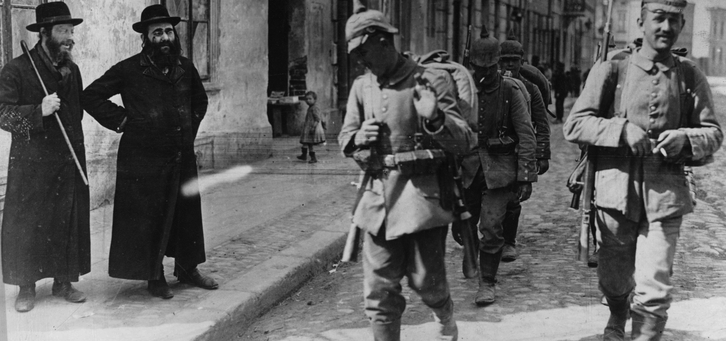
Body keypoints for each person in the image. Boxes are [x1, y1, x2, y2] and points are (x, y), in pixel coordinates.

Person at [563, 0, 722, 339]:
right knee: (614, 281)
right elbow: (574, 125)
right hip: (613, 195)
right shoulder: (611, 70)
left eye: (674, 20)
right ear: (641, 22)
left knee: (655, 290)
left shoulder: (689, 75)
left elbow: (714, 133)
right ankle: (617, 314)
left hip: (666, 196)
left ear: (681, 24)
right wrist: (620, 130)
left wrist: (686, 139)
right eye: (658, 18)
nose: (666, 27)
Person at [339, 7, 474, 340]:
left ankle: (444, 315)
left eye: (363, 52)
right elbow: (345, 137)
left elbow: (466, 139)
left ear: (384, 42)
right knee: (379, 290)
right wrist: (358, 138)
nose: (360, 61)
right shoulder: (362, 87)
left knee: (427, 282)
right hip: (377, 200)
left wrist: (435, 118)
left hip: (422, 199)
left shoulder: (430, 79)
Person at [82, 4, 218, 299]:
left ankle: (187, 269)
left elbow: (200, 102)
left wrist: (187, 132)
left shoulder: (185, 67)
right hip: (143, 158)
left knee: (186, 214)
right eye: (158, 32)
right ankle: (153, 275)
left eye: (169, 31)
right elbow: (90, 96)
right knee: (149, 217)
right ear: (146, 38)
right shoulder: (129, 69)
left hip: (180, 154)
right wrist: (122, 120)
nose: (165, 37)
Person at [0, 2, 88, 313]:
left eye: (71, 31)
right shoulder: (16, 69)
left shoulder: (71, 69)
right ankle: (26, 287)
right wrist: (39, 111)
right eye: (63, 31)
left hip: (66, 159)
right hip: (32, 165)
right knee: (29, 224)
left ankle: (63, 282)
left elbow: (76, 115)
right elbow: (4, 116)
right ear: (44, 33)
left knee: (64, 221)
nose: (69, 37)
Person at [460, 26, 537, 306]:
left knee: (492, 227)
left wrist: (526, 176)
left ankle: (487, 282)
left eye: (490, 68)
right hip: (467, 169)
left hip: (500, 169)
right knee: (463, 225)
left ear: (497, 65)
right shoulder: (462, 90)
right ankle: (470, 251)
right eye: (479, 68)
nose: (484, 74)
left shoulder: (511, 90)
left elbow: (527, 134)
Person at [499, 38, 551, 262]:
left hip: (519, 149)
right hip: (493, 148)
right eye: (505, 61)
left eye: (514, 61)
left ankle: (508, 241)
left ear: (522, 62)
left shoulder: (532, 89)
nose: (509, 66)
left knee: (512, 198)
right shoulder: (492, 86)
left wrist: (542, 155)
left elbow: (541, 124)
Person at [296, 91, 326, 163]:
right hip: (307, 128)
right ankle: (304, 155)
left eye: (310, 99)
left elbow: (317, 119)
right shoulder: (310, 107)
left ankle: (313, 158)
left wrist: (313, 127)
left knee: (310, 144)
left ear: (315, 99)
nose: (308, 100)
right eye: (306, 99)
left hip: (311, 128)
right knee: (305, 142)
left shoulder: (314, 108)